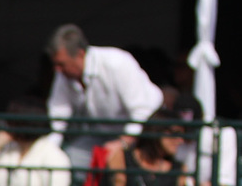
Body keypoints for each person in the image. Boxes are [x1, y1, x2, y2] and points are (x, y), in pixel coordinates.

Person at [45, 24, 164, 168]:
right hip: (101, 135)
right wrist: (48, 150)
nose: (57, 70)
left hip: (143, 136)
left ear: (80, 54)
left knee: (115, 165)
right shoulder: (62, 74)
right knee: (67, 160)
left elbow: (142, 110)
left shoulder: (117, 63)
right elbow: (58, 115)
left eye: (62, 64)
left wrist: (123, 143)